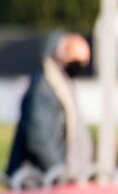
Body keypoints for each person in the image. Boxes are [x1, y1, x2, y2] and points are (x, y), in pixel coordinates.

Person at [5, 32, 93, 179]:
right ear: (63, 56)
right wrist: (60, 174)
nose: (80, 68)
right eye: (77, 62)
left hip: (62, 178)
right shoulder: (45, 86)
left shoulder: (64, 84)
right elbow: (39, 138)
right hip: (40, 181)